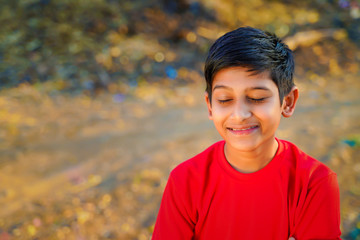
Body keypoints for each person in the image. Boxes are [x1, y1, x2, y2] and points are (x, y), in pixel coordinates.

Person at [152, 27, 341, 239]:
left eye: (258, 98)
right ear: (210, 106)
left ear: (287, 102)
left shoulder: (312, 183)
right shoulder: (185, 182)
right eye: (224, 100)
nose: (240, 115)